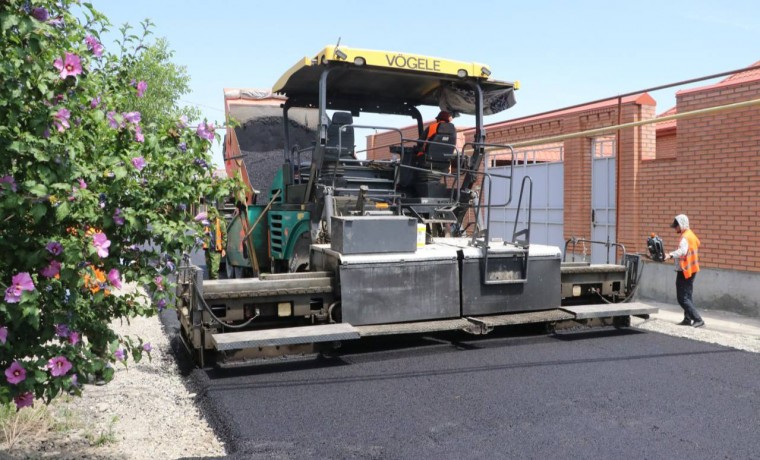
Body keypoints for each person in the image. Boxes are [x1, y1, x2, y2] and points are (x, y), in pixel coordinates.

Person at [663, 214, 704, 327]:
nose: (675, 228)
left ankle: (698, 319)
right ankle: (687, 319)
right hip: (692, 269)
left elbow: (682, 251)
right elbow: (696, 244)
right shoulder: (691, 235)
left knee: (682, 298)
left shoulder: (685, 237)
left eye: (676, 226)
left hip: (685, 270)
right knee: (688, 295)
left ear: (681, 225)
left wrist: (669, 255)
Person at [203, 207, 227, 280]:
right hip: (208, 249)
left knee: (214, 271)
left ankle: (216, 288)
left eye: (212, 212)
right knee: (209, 270)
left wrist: (223, 248)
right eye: (209, 212)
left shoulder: (220, 223)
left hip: (216, 250)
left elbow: (224, 236)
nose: (210, 214)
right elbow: (201, 233)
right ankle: (211, 287)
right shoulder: (206, 223)